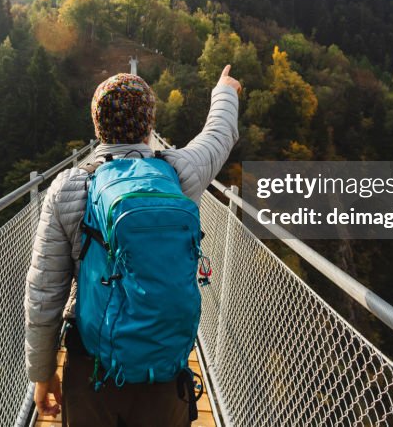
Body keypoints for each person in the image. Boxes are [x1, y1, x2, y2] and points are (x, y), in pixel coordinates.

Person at [24, 65, 241, 426]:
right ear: (149, 124)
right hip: (164, 371)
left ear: (97, 125)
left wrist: (42, 374)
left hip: (93, 368)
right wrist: (225, 92)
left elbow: (44, 293)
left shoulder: (69, 188)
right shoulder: (181, 172)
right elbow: (219, 134)